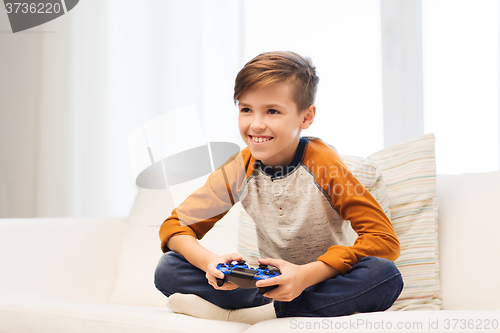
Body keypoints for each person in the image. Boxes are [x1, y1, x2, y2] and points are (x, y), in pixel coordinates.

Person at [154, 51, 403, 324]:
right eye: (246, 109)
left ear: (306, 117)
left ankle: (256, 315)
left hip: (321, 282)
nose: (256, 124)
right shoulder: (240, 168)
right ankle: (266, 308)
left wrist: (307, 274)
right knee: (168, 268)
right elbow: (175, 226)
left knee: (385, 275)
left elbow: (383, 240)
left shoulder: (325, 165)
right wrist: (210, 263)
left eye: (272, 111)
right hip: (265, 287)